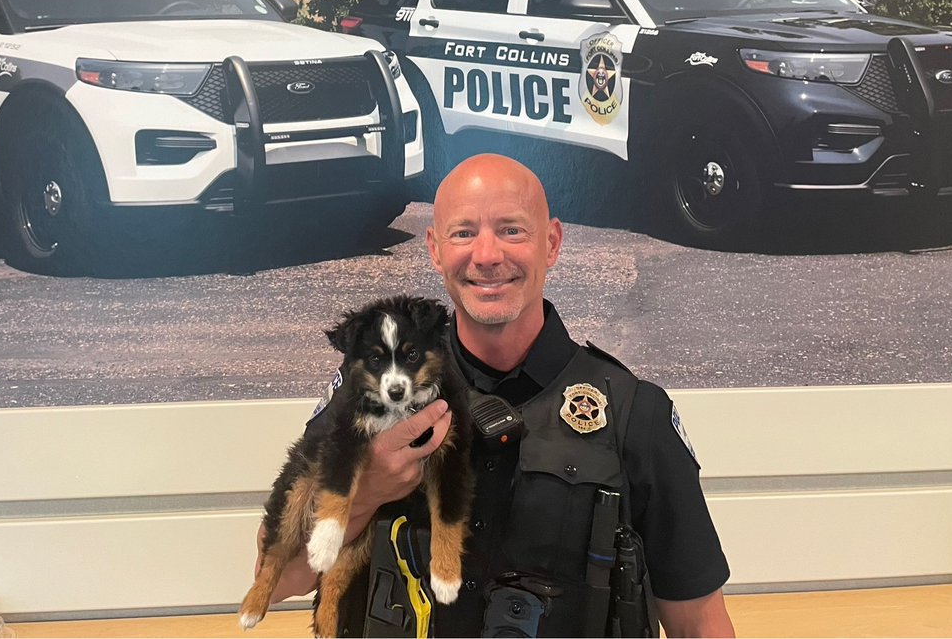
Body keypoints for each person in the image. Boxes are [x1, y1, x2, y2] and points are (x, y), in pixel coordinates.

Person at [257, 154, 734, 637]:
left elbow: (699, 621)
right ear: (435, 249)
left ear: (551, 243)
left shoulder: (634, 415)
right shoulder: (371, 393)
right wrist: (368, 491)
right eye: (464, 233)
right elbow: (277, 580)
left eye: (511, 230)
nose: (486, 255)